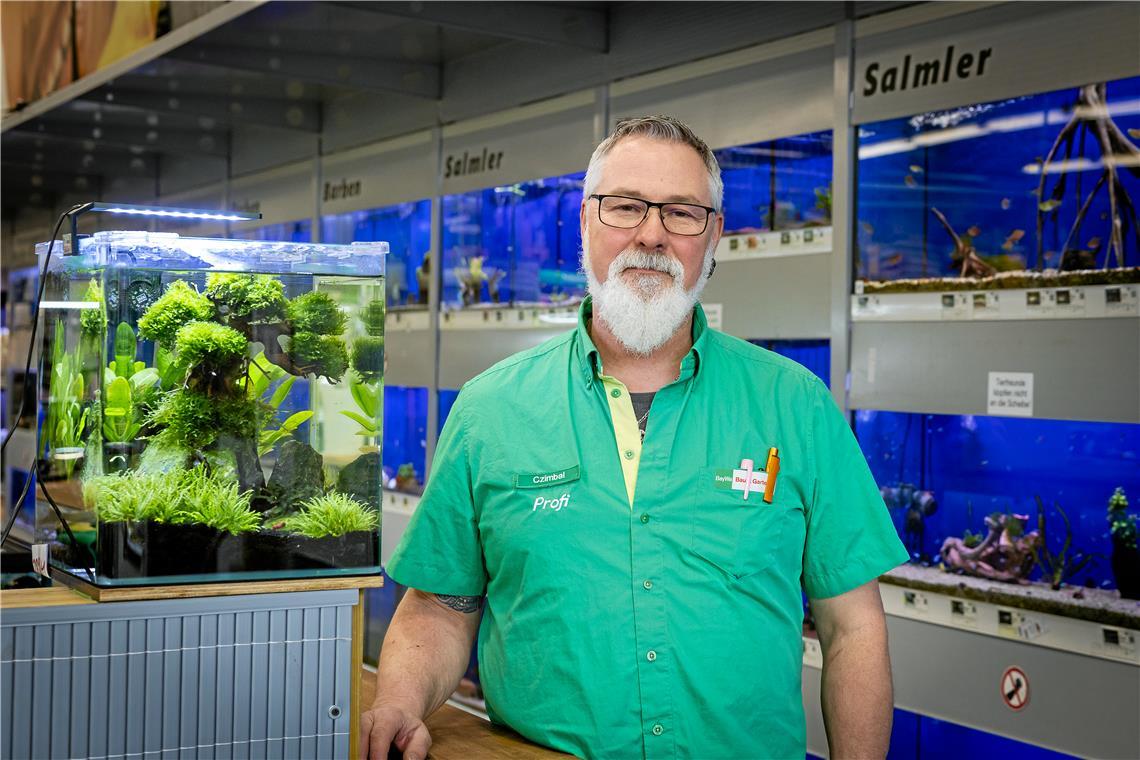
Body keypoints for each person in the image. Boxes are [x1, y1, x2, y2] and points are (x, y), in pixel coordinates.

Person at [361, 115, 909, 760]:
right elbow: (442, 604)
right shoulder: (490, 409)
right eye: (625, 207)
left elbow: (853, 629)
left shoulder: (796, 405)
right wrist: (398, 700)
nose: (651, 234)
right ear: (587, 220)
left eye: (682, 213)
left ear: (714, 236)